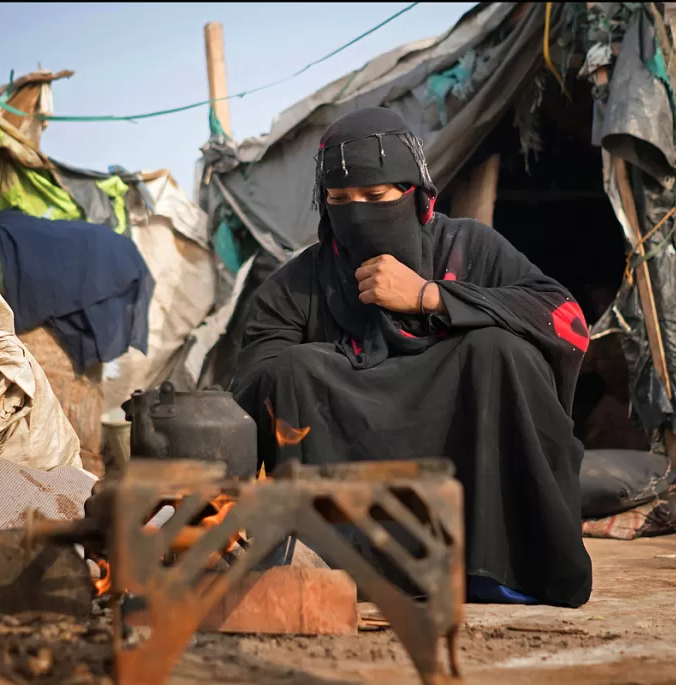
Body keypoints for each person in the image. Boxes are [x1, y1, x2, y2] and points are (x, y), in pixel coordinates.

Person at [230, 107, 592, 608]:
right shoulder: (300, 284)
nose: (358, 212)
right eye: (340, 200)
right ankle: (339, 561)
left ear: (417, 197)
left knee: (498, 348)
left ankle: (498, 565)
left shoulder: (468, 247)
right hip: (350, 443)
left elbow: (565, 320)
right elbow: (250, 383)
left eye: (376, 198)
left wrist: (431, 297)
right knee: (292, 371)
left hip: (464, 426)